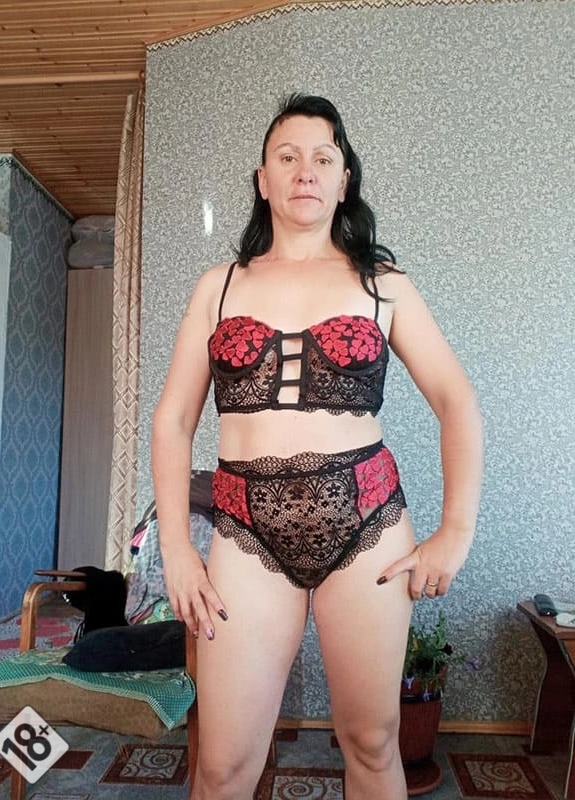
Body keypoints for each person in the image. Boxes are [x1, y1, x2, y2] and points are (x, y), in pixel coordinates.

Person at [152, 93, 483, 800]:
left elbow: (458, 402)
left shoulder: (382, 284)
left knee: (372, 743)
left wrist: (455, 532)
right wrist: (177, 548)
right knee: (222, 764)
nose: (305, 170)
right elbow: (173, 421)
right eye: (288, 156)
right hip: (245, 534)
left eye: (323, 158)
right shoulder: (218, 287)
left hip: (369, 528)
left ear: (343, 180)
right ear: (263, 179)